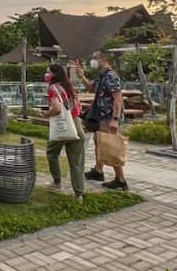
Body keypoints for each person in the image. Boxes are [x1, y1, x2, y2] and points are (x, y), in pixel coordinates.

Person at [73, 51, 128, 190]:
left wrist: (115, 119)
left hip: (109, 117)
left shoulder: (111, 76)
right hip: (101, 116)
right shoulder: (101, 75)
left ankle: (120, 179)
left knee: (110, 146)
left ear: (103, 59)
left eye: (95, 58)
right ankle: (98, 171)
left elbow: (118, 99)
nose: (93, 60)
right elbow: (91, 88)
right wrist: (81, 76)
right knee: (99, 142)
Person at [44, 64, 85, 201]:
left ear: (54, 74)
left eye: (48, 72)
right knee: (76, 162)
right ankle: (79, 194)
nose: (46, 74)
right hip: (77, 125)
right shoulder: (69, 87)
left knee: (52, 154)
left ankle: (57, 183)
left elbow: (57, 109)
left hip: (62, 126)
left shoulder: (53, 88)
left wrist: (46, 114)